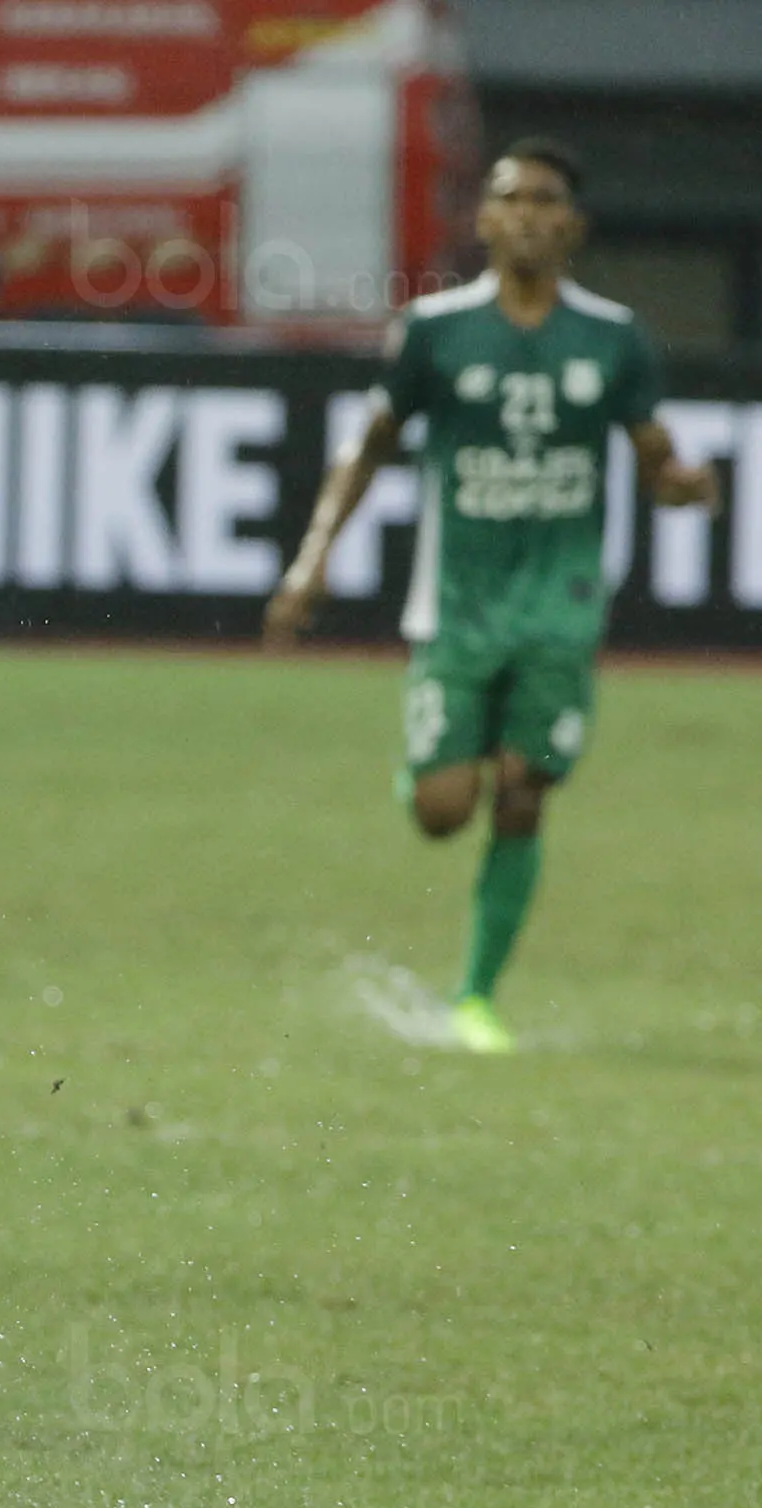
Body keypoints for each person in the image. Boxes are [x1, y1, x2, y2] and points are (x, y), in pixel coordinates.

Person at [265, 138, 719, 1055]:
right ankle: (435, 771)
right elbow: (369, 446)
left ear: (573, 226)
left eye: (546, 200)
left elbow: (656, 457)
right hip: (459, 603)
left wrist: (684, 486)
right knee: (443, 812)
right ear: (483, 220)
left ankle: (475, 997)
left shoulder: (614, 337)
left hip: (562, 602)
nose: (526, 214)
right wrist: (312, 556)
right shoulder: (434, 331)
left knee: (523, 794)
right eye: (509, 198)